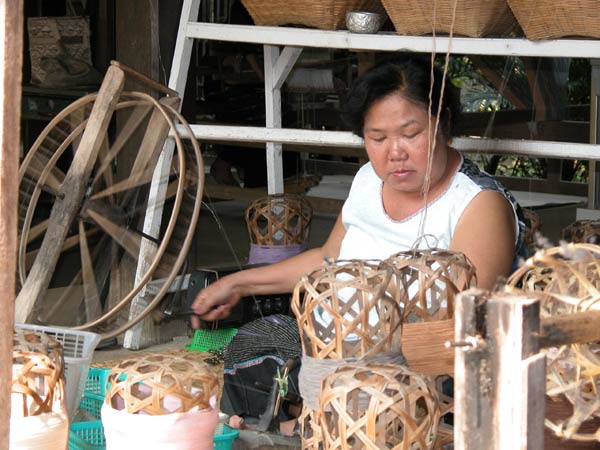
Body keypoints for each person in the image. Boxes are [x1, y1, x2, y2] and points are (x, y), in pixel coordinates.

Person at [192, 54, 527, 325]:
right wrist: (237, 284)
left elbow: (465, 321)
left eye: (410, 134)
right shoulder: (369, 179)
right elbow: (328, 259)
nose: (394, 152)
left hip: (409, 374)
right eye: (377, 138)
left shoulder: (479, 203)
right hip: (341, 341)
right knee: (257, 343)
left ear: (445, 124)